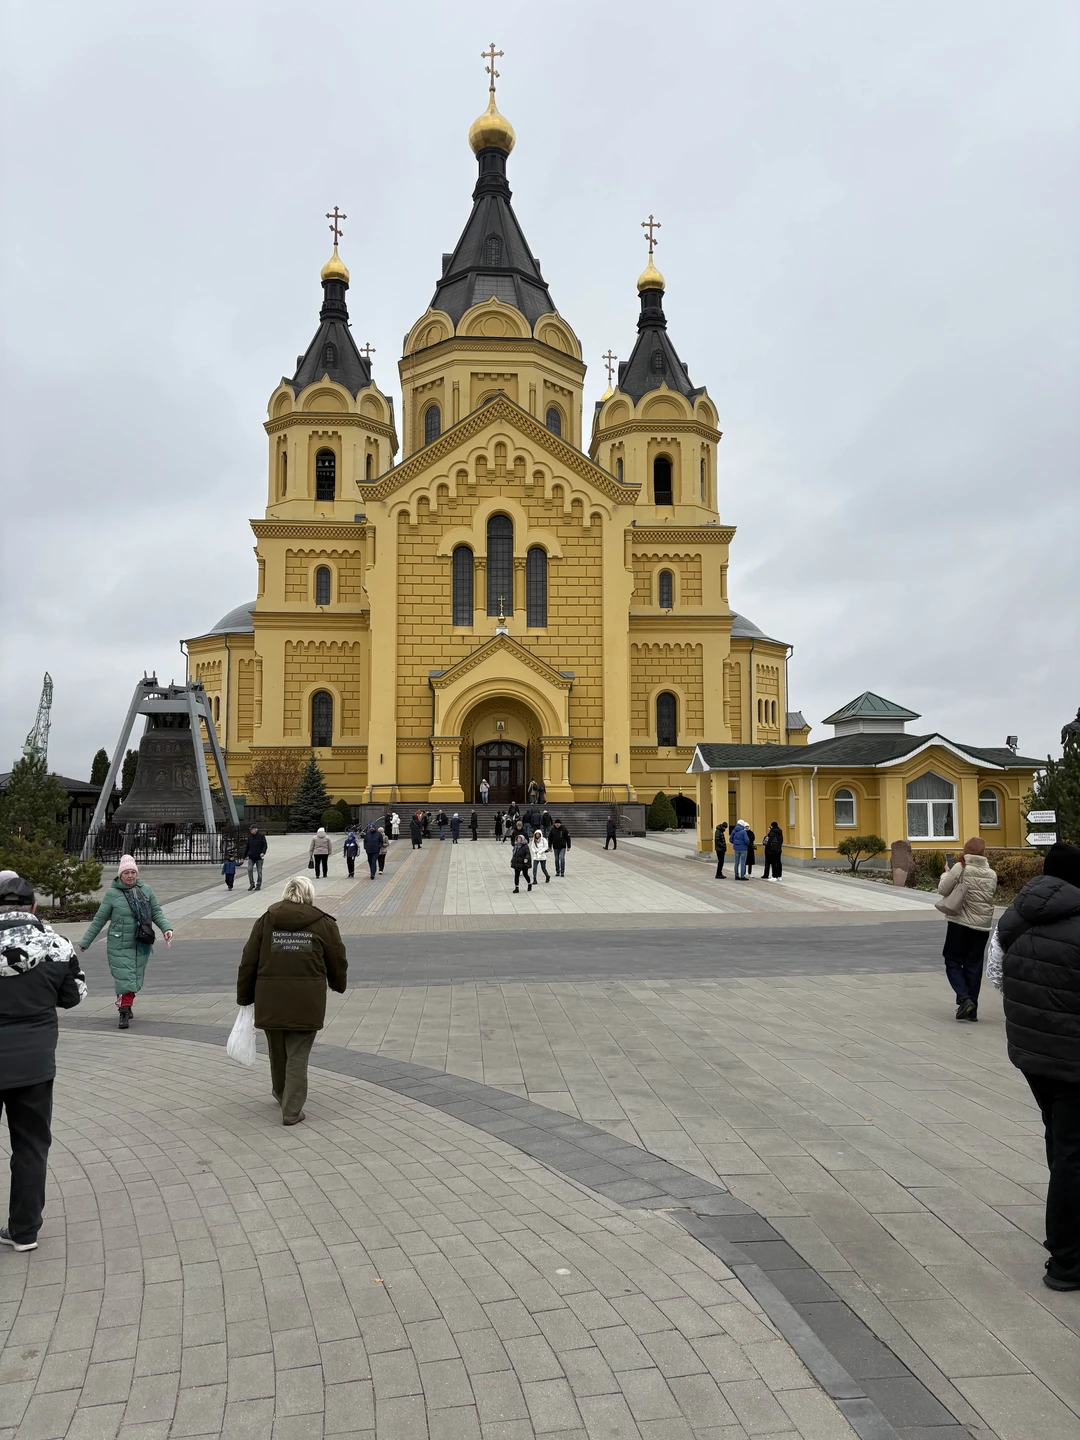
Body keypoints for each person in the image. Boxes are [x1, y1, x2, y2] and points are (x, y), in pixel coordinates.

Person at [998, 841, 1080, 1291]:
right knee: (1072, 1154)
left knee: (1061, 1143)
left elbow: (998, 974)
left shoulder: (1018, 916)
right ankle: (1067, 1261)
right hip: (1070, 1058)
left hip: (1032, 1052)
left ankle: (1067, 1227)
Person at [0, 875, 86, 1251]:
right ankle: (25, 1231)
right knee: (31, 1146)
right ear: (34, 907)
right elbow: (73, 996)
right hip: (34, 1063)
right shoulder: (58, 945)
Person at [236, 874, 347, 1126]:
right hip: (307, 1000)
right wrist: (338, 984)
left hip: (270, 997)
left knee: (277, 1048)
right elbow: (337, 959)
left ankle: (280, 1091)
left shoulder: (266, 920)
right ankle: (292, 1109)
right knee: (298, 1052)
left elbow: (248, 960)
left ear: (286, 892)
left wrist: (244, 997)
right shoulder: (324, 924)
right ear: (309, 895)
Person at [79, 856, 172, 1029]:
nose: (130, 876)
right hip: (119, 944)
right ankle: (123, 1010)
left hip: (141, 942)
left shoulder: (146, 890)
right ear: (120, 875)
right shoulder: (112, 894)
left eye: (133, 872)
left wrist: (167, 929)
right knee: (125, 977)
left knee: (135, 976)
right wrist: (86, 942)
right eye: (126, 873)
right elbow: (99, 919)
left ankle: (127, 1004)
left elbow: (156, 912)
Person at [937, 838, 997, 1020]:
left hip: (960, 923)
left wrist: (945, 874)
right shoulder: (991, 873)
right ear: (984, 852)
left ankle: (964, 999)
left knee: (952, 961)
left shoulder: (960, 867)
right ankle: (972, 1010)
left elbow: (943, 889)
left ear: (966, 850)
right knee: (974, 965)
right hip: (982, 926)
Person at [244, 825, 267, 892]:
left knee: (259, 871)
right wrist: (243, 857)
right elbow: (247, 847)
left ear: (255, 829)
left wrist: (263, 852)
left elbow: (265, 845)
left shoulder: (261, 836)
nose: (250, 830)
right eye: (250, 829)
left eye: (252, 829)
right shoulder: (250, 837)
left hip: (259, 857)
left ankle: (258, 884)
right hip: (251, 857)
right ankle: (252, 884)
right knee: (249, 869)